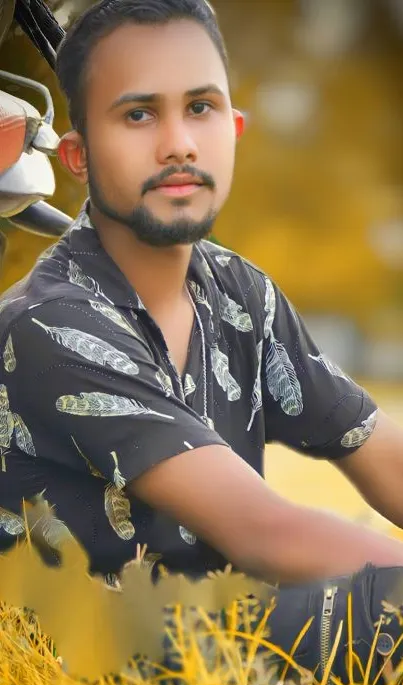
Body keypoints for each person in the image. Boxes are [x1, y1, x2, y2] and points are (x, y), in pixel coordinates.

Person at [1, 0, 403, 588]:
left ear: (233, 130)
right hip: (101, 656)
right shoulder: (47, 325)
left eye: (200, 107)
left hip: (215, 626)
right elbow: (264, 532)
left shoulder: (242, 292)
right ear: (78, 156)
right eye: (138, 114)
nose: (179, 144)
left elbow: (376, 448)